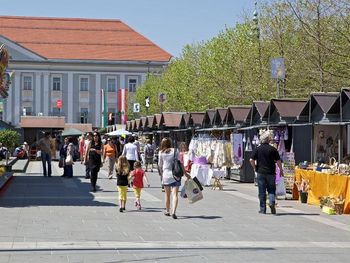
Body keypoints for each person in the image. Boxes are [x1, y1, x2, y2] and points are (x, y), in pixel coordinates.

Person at [249, 130, 284, 215]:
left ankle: (262, 209)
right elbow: (278, 161)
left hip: (260, 172)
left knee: (262, 191)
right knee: (271, 189)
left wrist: (255, 168)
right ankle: (272, 202)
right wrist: (281, 170)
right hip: (271, 172)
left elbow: (251, 160)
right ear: (268, 140)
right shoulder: (273, 149)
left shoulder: (257, 149)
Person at [158, 137, 191, 219]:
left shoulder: (161, 153)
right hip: (176, 175)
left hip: (166, 175)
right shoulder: (175, 151)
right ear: (170, 143)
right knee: (175, 194)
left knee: (167, 195)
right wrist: (186, 174)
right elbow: (180, 163)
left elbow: (160, 165)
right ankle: (174, 212)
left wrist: (162, 174)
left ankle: (167, 211)